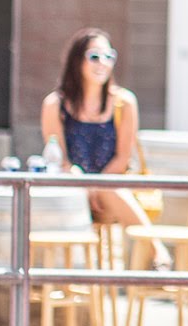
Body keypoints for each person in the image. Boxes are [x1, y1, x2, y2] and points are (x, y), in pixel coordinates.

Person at [39, 28, 151, 231]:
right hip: (72, 185)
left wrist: (96, 186)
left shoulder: (124, 102)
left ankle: (157, 254)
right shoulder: (55, 104)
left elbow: (122, 158)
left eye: (109, 57)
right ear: (77, 61)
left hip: (111, 188)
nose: (103, 63)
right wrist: (83, 184)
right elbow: (59, 158)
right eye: (94, 57)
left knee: (110, 190)